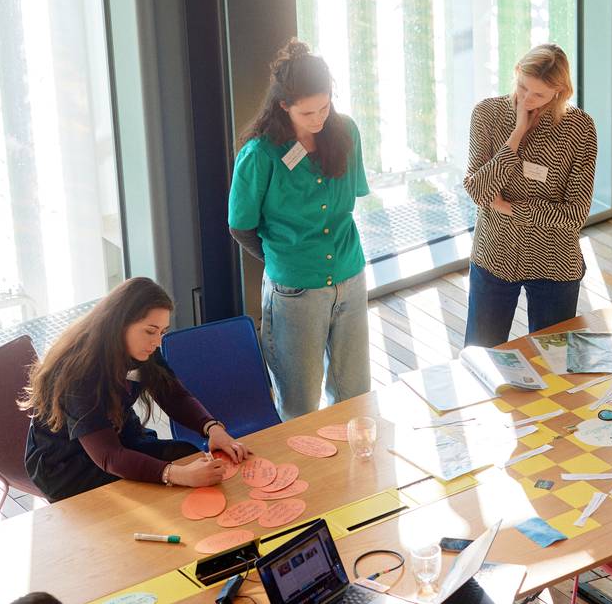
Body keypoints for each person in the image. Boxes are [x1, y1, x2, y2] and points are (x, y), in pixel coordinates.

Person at [229, 39, 371, 420]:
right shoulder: (259, 155)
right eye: (307, 112)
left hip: (350, 274)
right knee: (299, 405)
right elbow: (240, 226)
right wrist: (282, 257)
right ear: (283, 105)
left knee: (355, 395)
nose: (318, 119)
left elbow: (352, 198)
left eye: (324, 107)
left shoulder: (346, 132)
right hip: (295, 291)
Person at [20, 277, 249, 502]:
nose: (157, 342)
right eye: (150, 331)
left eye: (162, 331)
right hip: (67, 466)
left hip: (116, 434)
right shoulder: (79, 373)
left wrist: (211, 428)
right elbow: (109, 456)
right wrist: (177, 475)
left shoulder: (143, 348)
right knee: (158, 493)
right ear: (120, 324)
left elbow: (174, 396)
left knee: (186, 454)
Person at [462, 43, 598, 348]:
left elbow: (575, 215)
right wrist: (516, 135)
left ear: (559, 92)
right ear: (516, 72)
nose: (526, 100)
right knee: (481, 357)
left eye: (538, 94)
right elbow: (479, 191)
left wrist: (511, 208)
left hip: (555, 262)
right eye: (522, 87)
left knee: (553, 363)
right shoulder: (487, 114)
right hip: (495, 255)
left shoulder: (580, 129)